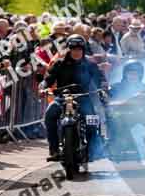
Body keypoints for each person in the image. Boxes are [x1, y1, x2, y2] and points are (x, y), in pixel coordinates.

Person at [41, 35, 107, 170]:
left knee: (92, 121)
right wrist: (43, 87)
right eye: (73, 49)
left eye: (79, 49)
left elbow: (100, 79)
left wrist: (104, 86)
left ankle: (93, 150)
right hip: (63, 98)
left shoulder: (90, 64)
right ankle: (54, 149)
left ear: (83, 50)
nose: (76, 52)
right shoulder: (60, 63)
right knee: (49, 114)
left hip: (84, 98)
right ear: (69, 50)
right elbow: (48, 79)